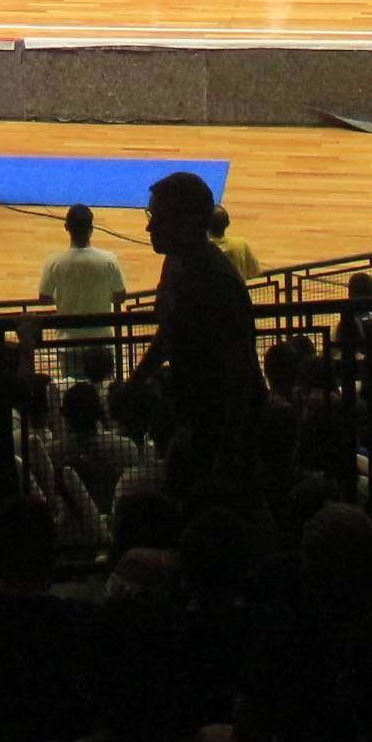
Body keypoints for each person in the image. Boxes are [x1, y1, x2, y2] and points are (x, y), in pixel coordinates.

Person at [139, 171, 258, 498]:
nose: (149, 226)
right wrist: (138, 378)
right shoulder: (176, 262)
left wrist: (227, 454)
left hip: (214, 432)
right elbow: (170, 332)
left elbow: (238, 372)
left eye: (157, 218)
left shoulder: (216, 282)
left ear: (188, 222)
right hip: (195, 419)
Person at [38, 201, 125, 380]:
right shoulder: (109, 260)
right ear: (91, 229)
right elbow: (120, 295)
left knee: (72, 391)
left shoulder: (54, 262)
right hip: (101, 342)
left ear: (66, 227)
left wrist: (62, 299)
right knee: (103, 392)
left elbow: (44, 298)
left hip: (68, 343)